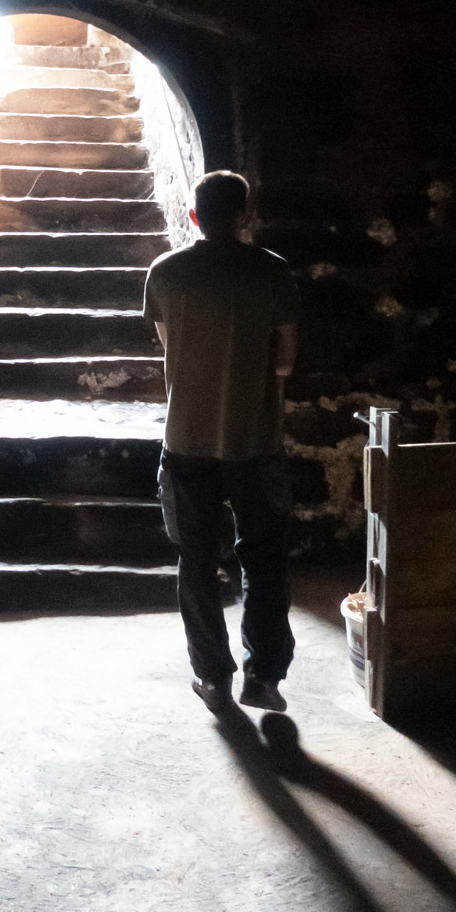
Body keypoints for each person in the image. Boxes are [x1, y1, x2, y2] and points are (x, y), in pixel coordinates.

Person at [143, 170, 299, 713]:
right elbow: (285, 361)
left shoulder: (164, 272)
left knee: (196, 560)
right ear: (245, 215)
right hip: (254, 439)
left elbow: (170, 344)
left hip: (187, 438)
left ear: (193, 215)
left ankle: (212, 678)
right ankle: (264, 678)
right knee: (265, 558)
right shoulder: (273, 271)